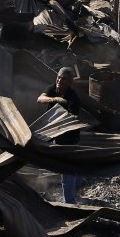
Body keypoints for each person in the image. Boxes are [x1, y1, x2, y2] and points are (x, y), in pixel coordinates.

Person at [38, 66, 83, 203]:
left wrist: (63, 107)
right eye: (58, 77)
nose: (59, 81)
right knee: (65, 165)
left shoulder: (73, 98)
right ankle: (80, 181)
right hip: (55, 135)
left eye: (63, 79)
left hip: (69, 138)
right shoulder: (52, 89)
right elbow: (40, 98)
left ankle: (69, 202)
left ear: (69, 83)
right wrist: (54, 100)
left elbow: (71, 121)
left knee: (66, 170)